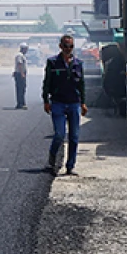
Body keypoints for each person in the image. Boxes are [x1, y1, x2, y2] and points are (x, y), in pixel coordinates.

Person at [43, 34, 88, 175]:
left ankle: (70, 166)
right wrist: (45, 100)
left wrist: (83, 103)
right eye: (66, 46)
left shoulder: (78, 64)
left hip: (74, 103)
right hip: (58, 103)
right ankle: (52, 161)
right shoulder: (52, 62)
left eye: (71, 46)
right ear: (60, 46)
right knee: (59, 134)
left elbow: (81, 84)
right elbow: (47, 83)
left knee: (74, 136)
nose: (68, 49)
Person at [13, 43, 29, 109]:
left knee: (22, 89)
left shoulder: (22, 55)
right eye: (26, 49)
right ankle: (21, 103)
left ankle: (21, 103)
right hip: (20, 74)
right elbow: (19, 64)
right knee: (21, 89)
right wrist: (22, 73)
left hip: (20, 73)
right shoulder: (19, 55)